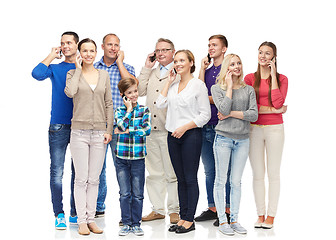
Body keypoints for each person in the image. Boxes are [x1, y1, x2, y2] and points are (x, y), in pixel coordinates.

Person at [156, 50, 211, 234]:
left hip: (190, 136)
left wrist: (185, 127)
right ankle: (182, 217)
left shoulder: (198, 85)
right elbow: (159, 103)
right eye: (176, 61)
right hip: (172, 136)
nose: (178, 64)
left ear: (190, 63)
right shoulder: (173, 85)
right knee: (180, 179)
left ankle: (189, 219)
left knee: (189, 178)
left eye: (182, 60)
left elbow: (205, 115)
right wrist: (169, 81)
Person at [65, 38, 113, 235]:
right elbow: (70, 92)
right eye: (84, 51)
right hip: (79, 132)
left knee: (94, 179)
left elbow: (109, 103)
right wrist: (77, 68)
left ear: (96, 53)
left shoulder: (103, 75)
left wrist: (108, 129)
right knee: (81, 179)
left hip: (99, 133)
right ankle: (81, 221)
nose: (88, 54)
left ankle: (92, 219)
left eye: (92, 51)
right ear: (80, 53)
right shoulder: (72, 73)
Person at [31, 31, 79, 229]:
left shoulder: (84, 68)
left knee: (79, 173)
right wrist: (52, 55)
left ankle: (76, 212)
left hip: (80, 126)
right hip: (58, 125)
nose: (65, 45)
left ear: (77, 44)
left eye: (69, 42)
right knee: (57, 171)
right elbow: (37, 74)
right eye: (62, 43)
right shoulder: (56, 68)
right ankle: (59, 213)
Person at [211, 54, 258, 236]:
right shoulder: (217, 88)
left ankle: (235, 219)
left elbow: (253, 115)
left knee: (236, 182)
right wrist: (229, 87)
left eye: (239, 63)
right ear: (226, 67)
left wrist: (231, 114)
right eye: (232, 64)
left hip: (242, 140)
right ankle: (223, 220)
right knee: (220, 180)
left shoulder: (248, 90)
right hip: (223, 139)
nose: (237, 66)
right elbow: (222, 109)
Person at [244, 41, 288, 229]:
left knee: (273, 173)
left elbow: (278, 102)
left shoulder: (282, 78)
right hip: (253, 129)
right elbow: (248, 108)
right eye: (260, 52)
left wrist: (273, 76)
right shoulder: (248, 79)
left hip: (274, 130)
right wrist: (273, 110)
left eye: (267, 53)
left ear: (274, 57)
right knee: (258, 174)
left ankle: (271, 216)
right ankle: (260, 215)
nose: (263, 56)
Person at [94, 33, 136, 219]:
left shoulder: (127, 68)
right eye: (109, 44)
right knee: (97, 167)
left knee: (122, 167)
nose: (113, 48)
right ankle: (97, 206)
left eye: (116, 45)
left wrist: (120, 63)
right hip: (98, 123)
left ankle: (126, 214)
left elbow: (134, 88)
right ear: (102, 47)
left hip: (121, 125)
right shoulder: (94, 68)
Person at [138, 38, 179, 224]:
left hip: (169, 130)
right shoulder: (152, 73)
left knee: (172, 173)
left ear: (173, 51)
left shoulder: (178, 72)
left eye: (165, 50)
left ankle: (174, 209)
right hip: (150, 131)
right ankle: (157, 209)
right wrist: (147, 67)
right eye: (158, 50)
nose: (161, 53)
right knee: (154, 173)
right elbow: (138, 91)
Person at [196, 34, 230, 226]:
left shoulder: (229, 68)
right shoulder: (208, 69)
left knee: (223, 171)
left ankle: (226, 209)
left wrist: (206, 98)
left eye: (214, 45)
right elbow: (199, 89)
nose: (210, 48)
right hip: (205, 125)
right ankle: (213, 208)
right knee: (209, 171)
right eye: (209, 45)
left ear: (224, 48)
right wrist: (202, 68)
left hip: (221, 126)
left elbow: (224, 97)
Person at [114, 78, 151, 236]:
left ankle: (136, 224)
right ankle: (126, 223)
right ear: (123, 95)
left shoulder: (144, 110)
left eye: (135, 91)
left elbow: (147, 130)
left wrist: (129, 131)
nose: (134, 94)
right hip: (121, 158)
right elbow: (120, 126)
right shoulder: (119, 111)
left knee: (137, 193)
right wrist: (128, 111)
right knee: (124, 193)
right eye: (130, 93)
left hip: (138, 158)